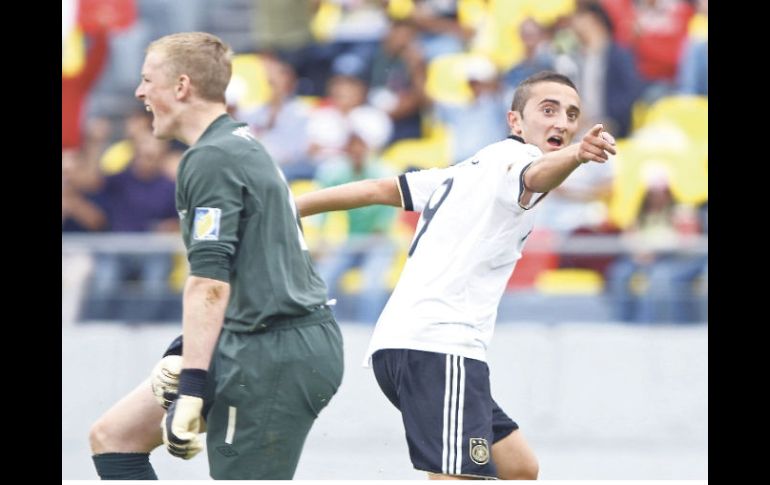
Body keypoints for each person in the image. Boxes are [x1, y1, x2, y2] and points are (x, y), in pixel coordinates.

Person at [295, 71, 617, 479]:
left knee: (518, 467)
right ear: (515, 121)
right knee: (457, 477)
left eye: (571, 114)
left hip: (409, 345)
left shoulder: (465, 170)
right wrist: (576, 156)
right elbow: (534, 176)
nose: (562, 122)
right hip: (440, 346)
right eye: (548, 109)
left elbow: (377, 189)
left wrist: (291, 207)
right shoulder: (519, 161)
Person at [89, 32, 344, 480]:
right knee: (115, 438)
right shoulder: (236, 143)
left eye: (148, 80)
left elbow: (209, 281)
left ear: (182, 86)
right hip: (258, 335)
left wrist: (191, 386)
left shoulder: (211, 157)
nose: (139, 91)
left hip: (273, 347)